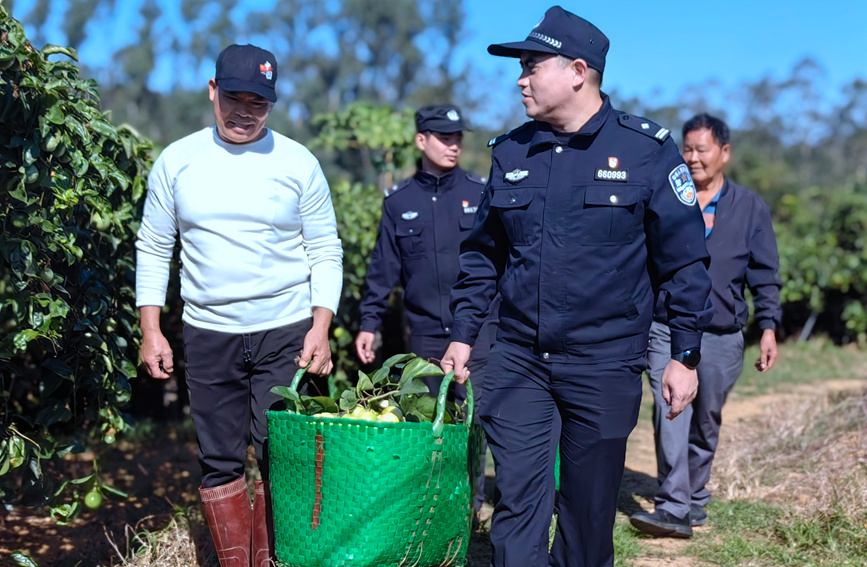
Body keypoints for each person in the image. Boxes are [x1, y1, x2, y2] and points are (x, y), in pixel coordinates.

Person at [439, 6, 714, 567]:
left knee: (588, 515)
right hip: (519, 361)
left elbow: (684, 262)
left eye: (532, 65)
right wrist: (464, 333)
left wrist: (685, 354)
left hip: (604, 362)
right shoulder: (511, 152)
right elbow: (483, 254)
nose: (520, 78)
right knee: (517, 503)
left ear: (578, 71)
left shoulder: (647, 151)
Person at [135, 44, 342, 567]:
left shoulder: (297, 162)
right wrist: (151, 329)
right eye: (234, 97)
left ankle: (282, 559)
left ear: (272, 104)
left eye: (259, 101)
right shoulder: (178, 161)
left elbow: (325, 249)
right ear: (212, 92)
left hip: (286, 330)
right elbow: (155, 247)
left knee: (284, 457)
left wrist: (321, 327)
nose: (244, 111)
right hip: (209, 333)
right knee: (219, 460)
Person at [630, 113, 782, 538]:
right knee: (671, 411)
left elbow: (765, 274)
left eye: (702, 149)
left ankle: (694, 497)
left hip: (722, 333)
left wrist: (768, 326)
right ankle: (674, 505)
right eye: (687, 149)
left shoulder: (749, 207)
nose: (693, 158)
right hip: (666, 327)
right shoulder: (664, 198)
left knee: (705, 419)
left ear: (724, 153)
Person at [355, 104, 496, 514]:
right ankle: (433, 509)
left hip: (477, 331)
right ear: (421, 140)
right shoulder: (399, 202)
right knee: (429, 424)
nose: (454, 145)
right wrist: (369, 323)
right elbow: (383, 270)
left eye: (457, 138)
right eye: (444, 137)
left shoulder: (479, 192)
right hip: (425, 334)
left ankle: (469, 510)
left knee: (473, 422)